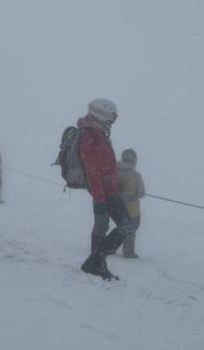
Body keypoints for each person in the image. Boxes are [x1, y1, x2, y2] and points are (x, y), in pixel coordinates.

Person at [77, 98, 130, 280]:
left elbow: (102, 164)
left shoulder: (98, 132)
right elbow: (92, 172)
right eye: (111, 117)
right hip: (103, 192)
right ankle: (96, 263)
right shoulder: (91, 137)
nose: (113, 121)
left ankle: (96, 263)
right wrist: (100, 199)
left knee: (107, 226)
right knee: (124, 225)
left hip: (108, 189)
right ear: (101, 115)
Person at [115, 149, 145, 258]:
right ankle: (128, 252)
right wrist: (133, 196)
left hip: (116, 207)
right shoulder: (136, 175)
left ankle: (110, 247)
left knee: (121, 228)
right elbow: (141, 192)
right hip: (132, 210)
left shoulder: (114, 170)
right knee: (132, 228)